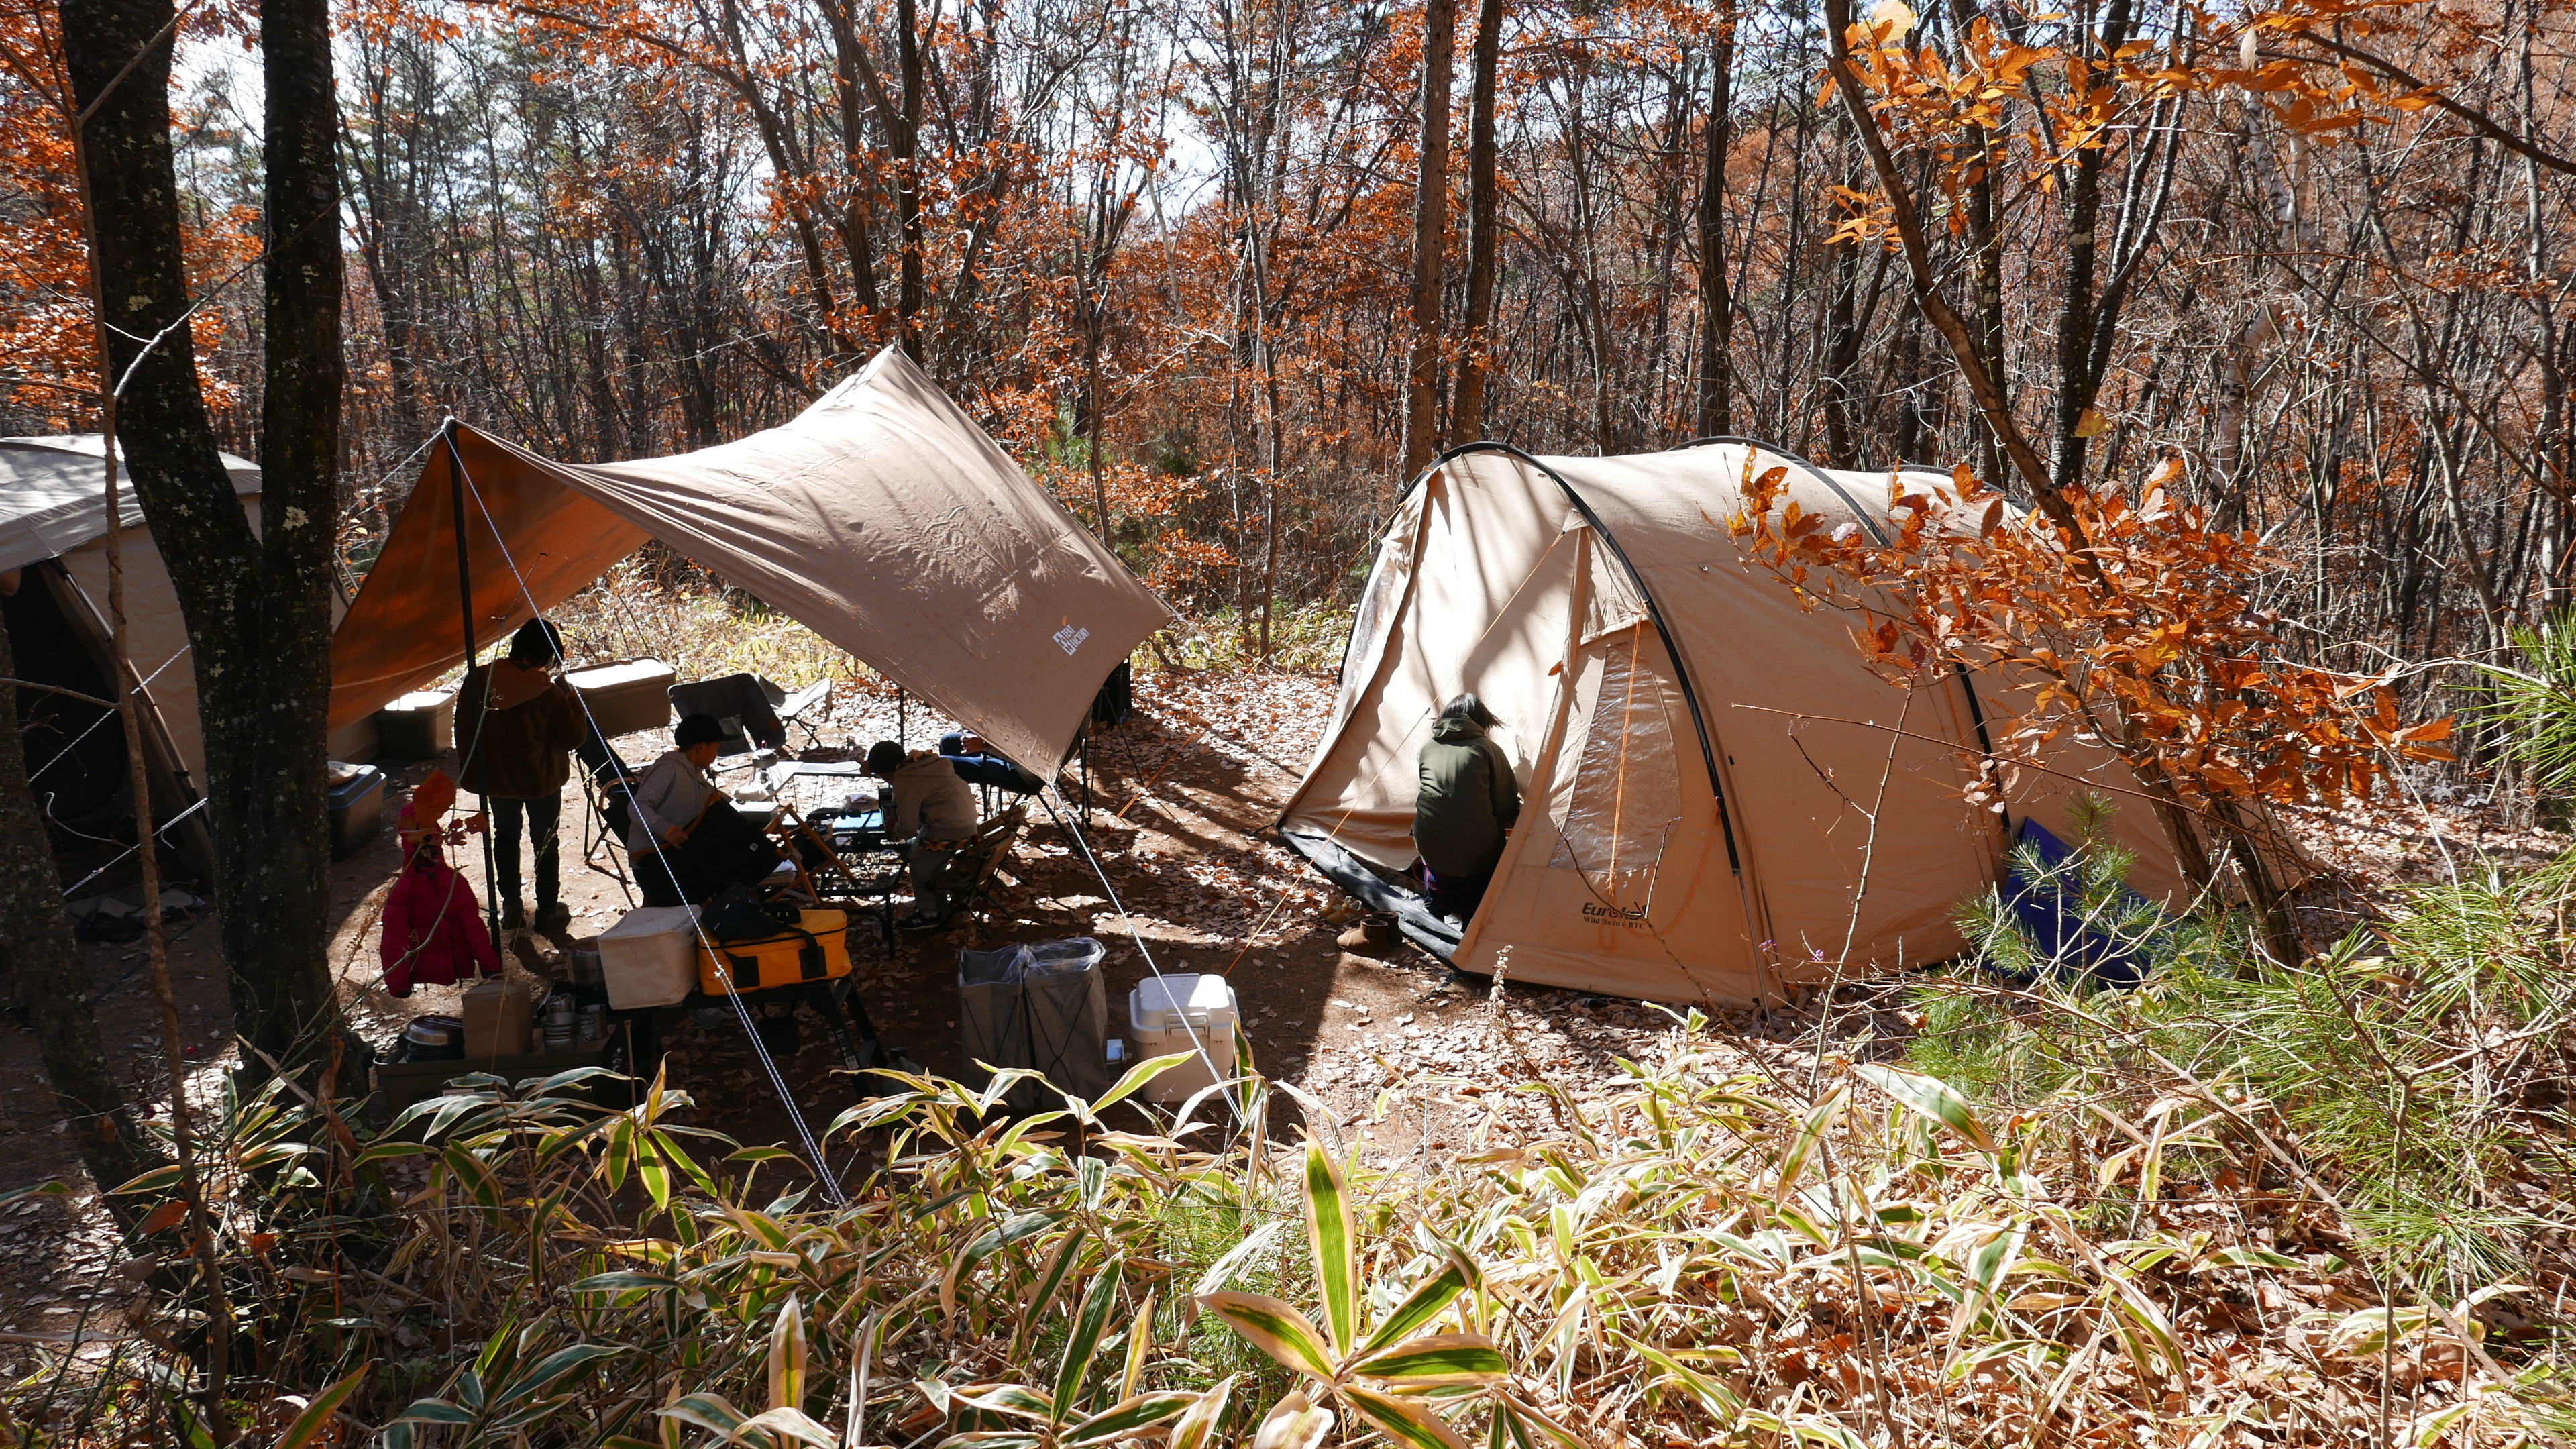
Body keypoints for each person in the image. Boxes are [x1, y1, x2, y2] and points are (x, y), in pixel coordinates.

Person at [455, 617, 586, 932]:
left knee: (505, 836)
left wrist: (475, 772)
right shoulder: (547, 694)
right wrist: (574, 703)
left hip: (497, 781)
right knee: (545, 842)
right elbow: (572, 738)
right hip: (540, 782)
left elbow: (463, 730)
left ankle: (511, 904)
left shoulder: (479, 680)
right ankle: (547, 909)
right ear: (545, 655)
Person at [627, 713, 783, 907]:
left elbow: (714, 801)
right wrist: (667, 830)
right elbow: (637, 806)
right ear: (700, 747)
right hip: (653, 859)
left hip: (673, 856)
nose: (716, 753)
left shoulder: (695, 774)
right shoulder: (669, 769)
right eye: (716, 747)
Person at [1412, 692, 1520, 923]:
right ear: (1481, 722)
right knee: (1482, 847)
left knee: (1444, 841)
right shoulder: (1488, 749)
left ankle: (1434, 909)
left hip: (1429, 844)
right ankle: (1472, 923)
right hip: (1475, 852)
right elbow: (1506, 808)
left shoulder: (1427, 748)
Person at [867, 740, 979, 929]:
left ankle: (929, 914)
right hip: (966, 821)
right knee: (929, 858)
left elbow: (908, 828)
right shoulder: (923, 764)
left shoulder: (905, 779)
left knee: (919, 865)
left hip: (951, 828)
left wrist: (893, 833)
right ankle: (936, 901)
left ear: (887, 773)